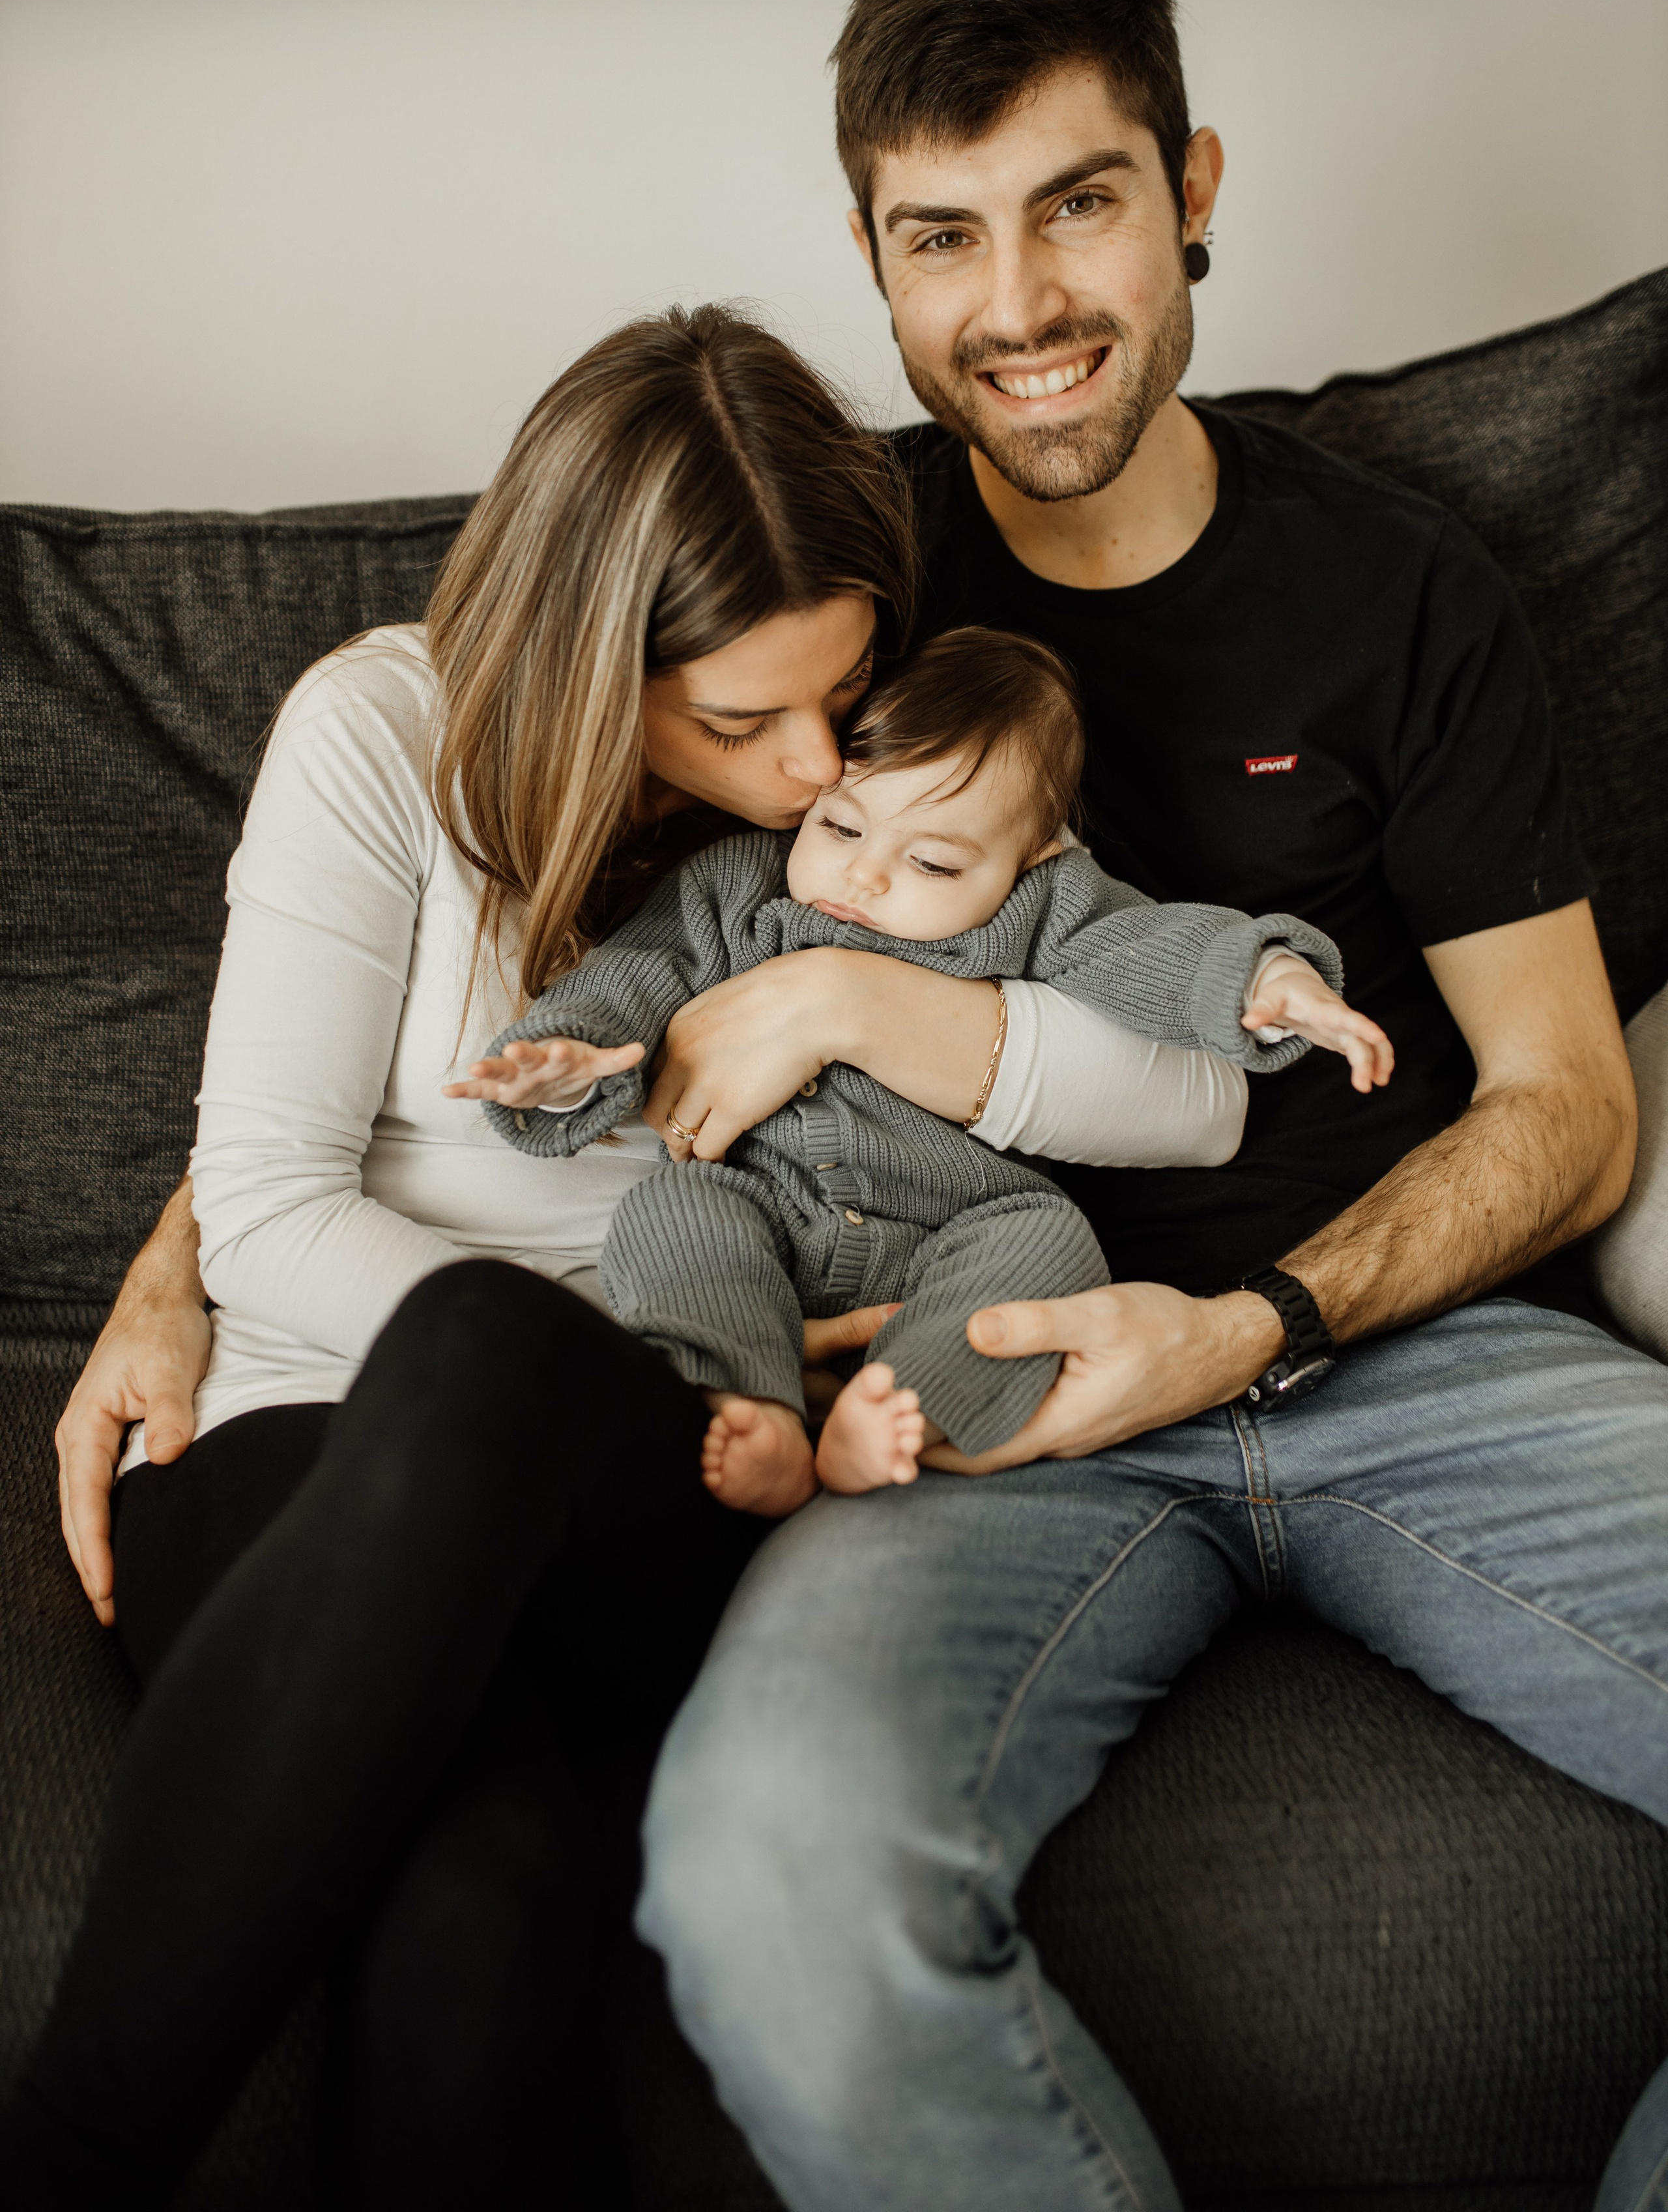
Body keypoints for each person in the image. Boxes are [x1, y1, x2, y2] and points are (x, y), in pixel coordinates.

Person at [627, 0, 1668, 2212]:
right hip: (977, 1381)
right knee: (761, 1875)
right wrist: (199, 1242)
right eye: (944, 236)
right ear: (877, 274)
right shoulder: (829, 587)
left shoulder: (1403, 591)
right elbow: (477, 836)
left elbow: (1571, 1105)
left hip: (1405, 1348)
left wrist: (1262, 1317)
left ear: (1193, 182)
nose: (1020, 304)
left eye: (1079, 201)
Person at [15, 303, 1250, 2208]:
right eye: (738, 721)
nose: (807, 766)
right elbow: (261, 1202)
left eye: (837, 698)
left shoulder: (888, 810)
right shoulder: (377, 734)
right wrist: (253, 1286)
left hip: (663, 1449)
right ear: (590, 667)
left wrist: (844, 992)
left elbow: (1189, 1100)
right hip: (306, 1429)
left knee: (503, 1370)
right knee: (479, 1884)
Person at [462, 626, 1388, 1505]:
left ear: (1030, 858)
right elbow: (635, 975)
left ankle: (904, 1408)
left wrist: (1267, 977)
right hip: (766, 1209)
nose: (864, 878)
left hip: (956, 1222)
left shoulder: (1040, 905)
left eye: (935, 864)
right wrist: (572, 1066)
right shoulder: (735, 885)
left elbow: (1150, 946)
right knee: (672, 1212)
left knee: (1052, 1239)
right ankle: (748, 1407)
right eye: (841, 828)